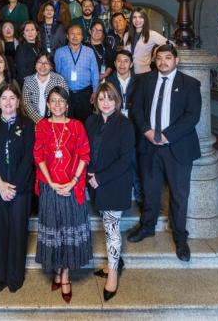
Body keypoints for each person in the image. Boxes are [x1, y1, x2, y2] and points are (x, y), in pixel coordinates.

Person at [128, 45, 201, 263]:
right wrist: (148, 132)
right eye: (159, 58)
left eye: (168, 58)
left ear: (176, 60)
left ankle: (180, 238)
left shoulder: (189, 84)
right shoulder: (144, 81)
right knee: (150, 191)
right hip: (149, 145)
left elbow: (192, 116)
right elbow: (137, 109)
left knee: (179, 195)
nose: (163, 62)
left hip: (176, 147)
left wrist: (166, 135)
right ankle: (147, 226)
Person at [33, 86, 92, 303]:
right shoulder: (42, 125)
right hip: (50, 187)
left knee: (68, 231)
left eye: (61, 101)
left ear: (67, 105)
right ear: (48, 105)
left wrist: (73, 181)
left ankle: (65, 274)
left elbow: (85, 155)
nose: (57, 105)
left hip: (72, 186)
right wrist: (51, 183)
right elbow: (38, 155)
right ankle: (57, 268)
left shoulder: (77, 126)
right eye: (53, 101)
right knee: (55, 230)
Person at [0, 84, 35, 292]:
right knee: (0, 232)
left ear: (18, 102)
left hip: (20, 188)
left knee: (19, 231)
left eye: (12, 98)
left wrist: (14, 186)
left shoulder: (28, 125)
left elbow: (29, 157)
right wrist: (0, 185)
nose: (8, 102)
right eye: (4, 98)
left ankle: (15, 277)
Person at [84, 82, 135, 301]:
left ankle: (113, 274)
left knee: (111, 231)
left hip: (114, 184)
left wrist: (100, 178)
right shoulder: (91, 121)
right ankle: (114, 262)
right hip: (94, 183)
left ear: (117, 100)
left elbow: (125, 160)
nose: (106, 103)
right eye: (102, 98)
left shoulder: (125, 125)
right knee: (105, 225)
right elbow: (85, 150)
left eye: (110, 99)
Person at [54, 25, 100, 122]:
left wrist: (95, 91)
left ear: (82, 37)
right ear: (67, 36)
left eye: (78, 34)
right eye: (72, 34)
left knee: (85, 122)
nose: (75, 36)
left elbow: (95, 73)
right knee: (67, 122)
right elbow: (57, 74)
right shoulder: (59, 52)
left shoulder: (89, 52)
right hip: (66, 93)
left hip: (85, 93)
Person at [21, 53, 68, 124]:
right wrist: (40, 121)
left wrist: (51, 121)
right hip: (34, 122)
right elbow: (27, 104)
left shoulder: (59, 79)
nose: (43, 65)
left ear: (51, 66)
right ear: (35, 65)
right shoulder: (28, 81)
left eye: (46, 63)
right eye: (40, 62)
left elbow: (64, 101)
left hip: (56, 120)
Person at [130, 9, 169, 74]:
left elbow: (170, 44)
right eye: (134, 17)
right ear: (131, 19)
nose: (137, 20)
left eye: (140, 17)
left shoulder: (152, 34)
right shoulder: (127, 35)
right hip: (128, 74)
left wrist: (156, 51)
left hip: (144, 73)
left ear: (145, 19)